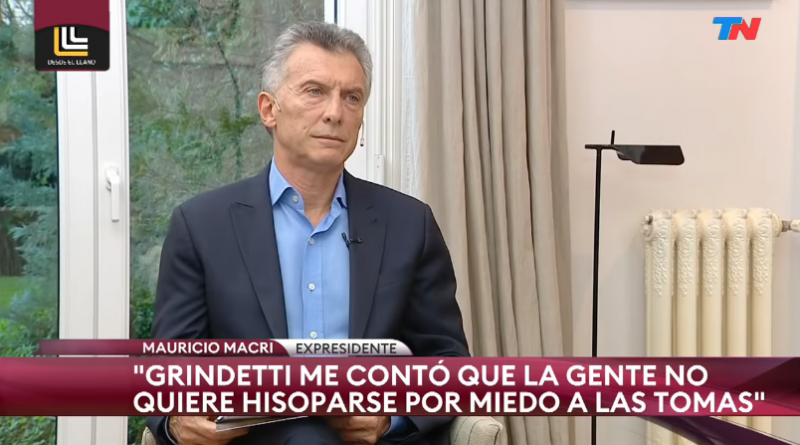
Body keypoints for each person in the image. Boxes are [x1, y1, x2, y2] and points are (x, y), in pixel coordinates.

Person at [145, 21, 469, 445]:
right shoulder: (201, 226)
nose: (335, 112)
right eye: (315, 91)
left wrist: (392, 419)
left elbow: (448, 364)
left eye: (352, 97)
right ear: (269, 109)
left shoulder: (410, 224)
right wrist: (175, 421)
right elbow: (169, 369)